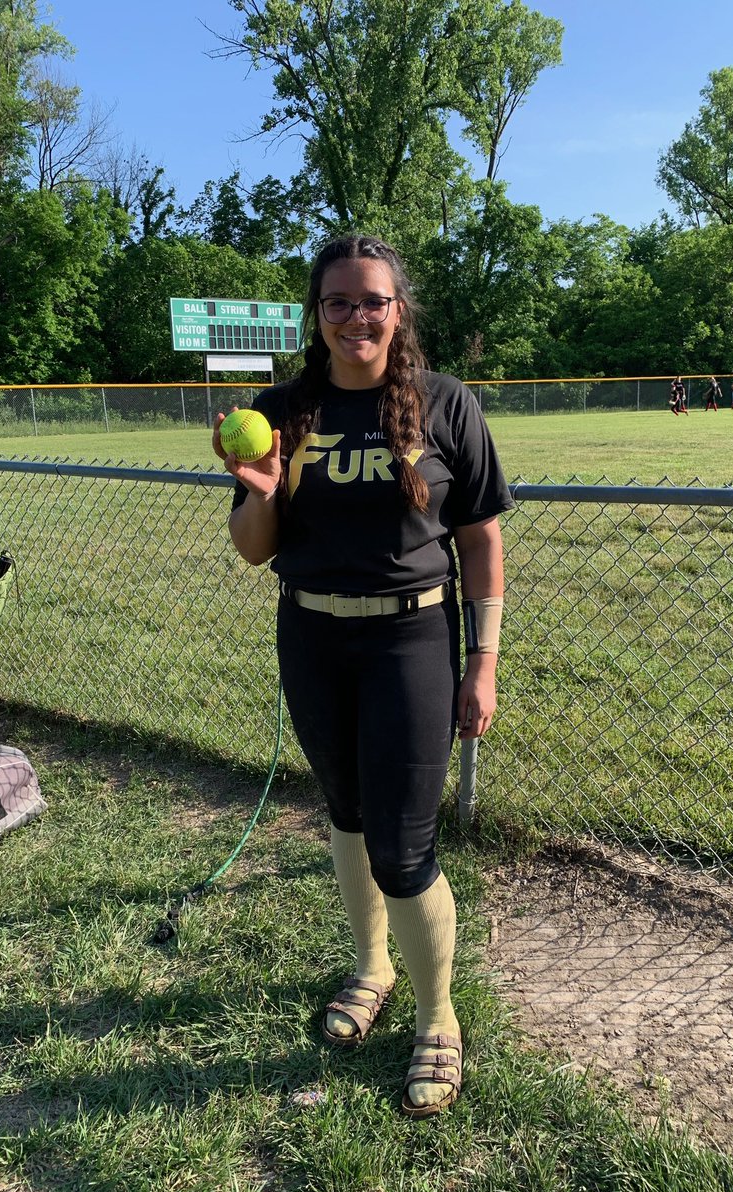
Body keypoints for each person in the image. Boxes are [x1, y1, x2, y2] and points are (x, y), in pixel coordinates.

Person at [215, 234, 512, 1119]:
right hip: (311, 637)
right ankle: (372, 966)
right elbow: (253, 553)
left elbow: (482, 542)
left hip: (412, 644)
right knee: (344, 812)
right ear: (317, 315)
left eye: (372, 300)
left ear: (398, 310)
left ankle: (438, 1016)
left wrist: (483, 661)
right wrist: (263, 490)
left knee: (404, 845)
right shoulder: (282, 411)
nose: (356, 318)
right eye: (337, 303)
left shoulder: (443, 404)